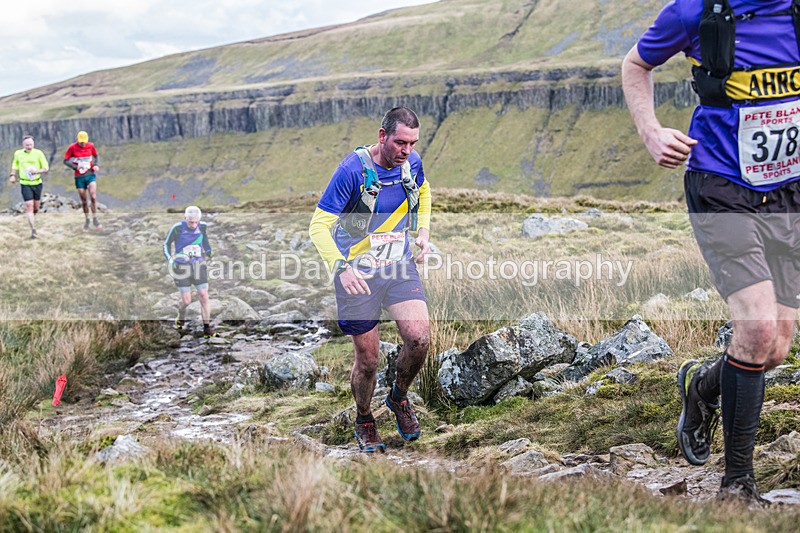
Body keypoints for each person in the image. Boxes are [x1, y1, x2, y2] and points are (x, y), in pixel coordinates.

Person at [622, 0, 800, 505]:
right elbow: (635, 64)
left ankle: (701, 387)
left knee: (775, 347)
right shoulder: (695, 12)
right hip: (721, 186)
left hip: (789, 192)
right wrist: (651, 132)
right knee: (756, 328)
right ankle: (737, 486)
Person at [309, 106, 432, 453]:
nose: (407, 150)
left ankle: (398, 397)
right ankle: (364, 417)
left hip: (398, 265)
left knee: (420, 339)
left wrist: (423, 232)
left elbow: (424, 192)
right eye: (400, 142)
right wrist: (341, 268)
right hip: (357, 273)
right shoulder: (351, 171)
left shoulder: (412, 163)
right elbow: (318, 227)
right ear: (382, 136)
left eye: (413, 143)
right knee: (368, 360)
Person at [163, 206, 218, 338]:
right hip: (181, 268)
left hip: (198, 265)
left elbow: (204, 238)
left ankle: (207, 329)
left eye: (195, 222)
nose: (193, 225)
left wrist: (208, 250)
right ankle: (181, 314)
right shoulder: (177, 228)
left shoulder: (202, 226)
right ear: (185, 218)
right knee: (187, 301)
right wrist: (170, 259)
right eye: (190, 222)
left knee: (204, 295)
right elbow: (166, 244)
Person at [8, 135, 49, 239]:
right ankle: (33, 230)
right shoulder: (18, 153)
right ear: (23, 145)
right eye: (27, 145)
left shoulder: (38, 153)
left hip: (37, 183)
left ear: (33, 144)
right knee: (29, 206)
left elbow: (46, 168)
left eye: (30, 144)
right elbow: (15, 165)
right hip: (25, 183)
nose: (29, 147)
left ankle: (33, 218)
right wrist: (12, 175)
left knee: (36, 207)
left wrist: (37, 171)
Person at [63, 130, 102, 230]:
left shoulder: (91, 146)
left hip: (90, 174)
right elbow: (66, 161)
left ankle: (95, 219)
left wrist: (96, 165)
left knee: (93, 196)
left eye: (84, 141)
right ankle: (87, 220)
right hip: (79, 177)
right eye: (81, 142)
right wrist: (76, 167)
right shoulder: (72, 147)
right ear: (78, 140)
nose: (83, 143)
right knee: (84, 200)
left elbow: (96, 156)